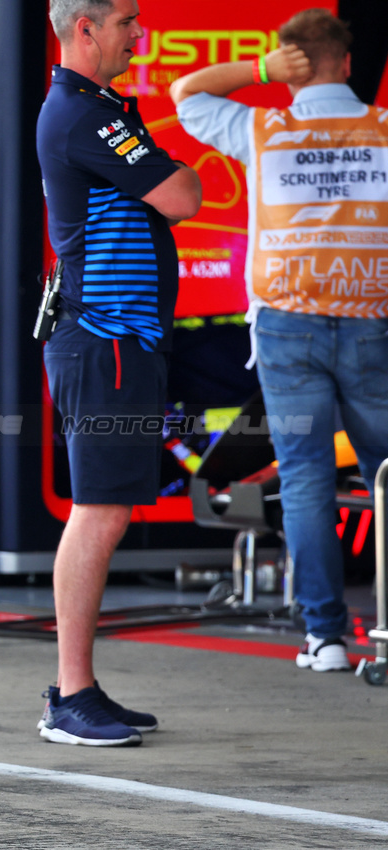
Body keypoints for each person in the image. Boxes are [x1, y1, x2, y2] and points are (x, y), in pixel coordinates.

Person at [172, 8, 388, 674]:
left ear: (288, 63)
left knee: (303, 482)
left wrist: (259, 73)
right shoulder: (382, 130)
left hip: (285, 326)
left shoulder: (263, 127)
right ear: (347, 64)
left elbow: (185, 96)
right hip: (369, 322)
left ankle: (324, 639)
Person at [37, 0, 202, 745]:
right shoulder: (81, 114)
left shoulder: (95, 108)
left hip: (115, 341)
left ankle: (80, 687)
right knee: (98, 512)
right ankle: (70, 696)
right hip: (103, 339)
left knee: (105, 510)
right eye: (128, 20)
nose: (139, 33)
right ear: (86, 28)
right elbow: (181, 196)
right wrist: (174, 170)